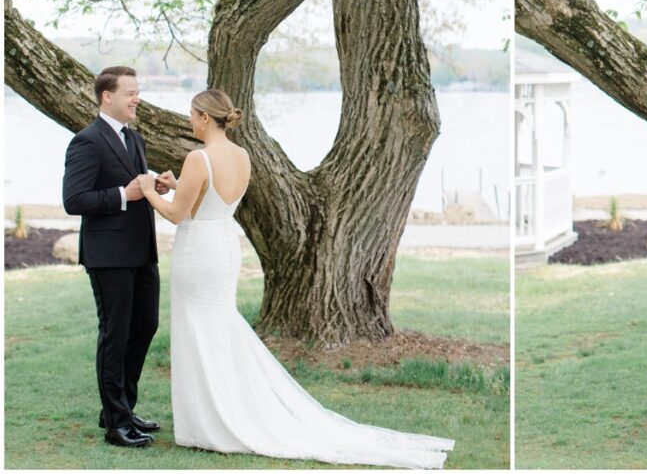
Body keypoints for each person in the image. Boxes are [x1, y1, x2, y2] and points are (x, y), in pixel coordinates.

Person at [137, 89, 455, 468]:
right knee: (216, 327)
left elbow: (176, 215)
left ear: (205, 118)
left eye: (192, 114)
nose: (189, 120)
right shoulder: (242, 156)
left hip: (197, 251)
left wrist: (146, 189)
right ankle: (219, 411)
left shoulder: (197, 157)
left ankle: (210, 420)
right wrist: (176, 186)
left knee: (199, 329)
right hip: (223, 245)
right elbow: (211, 199)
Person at [62, 66, 166, 447]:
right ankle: (116, 425)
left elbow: (138, 186)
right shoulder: (86, 141)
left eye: (138, 91)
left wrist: (155, 185)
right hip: (109, 257)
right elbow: (74, 200)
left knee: (145, 327)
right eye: (131, 93)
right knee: (115, 335)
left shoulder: (134, 139)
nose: (137, 98)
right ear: (108, 96)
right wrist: (124, 196)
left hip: (143, 253)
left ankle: (121, 407)